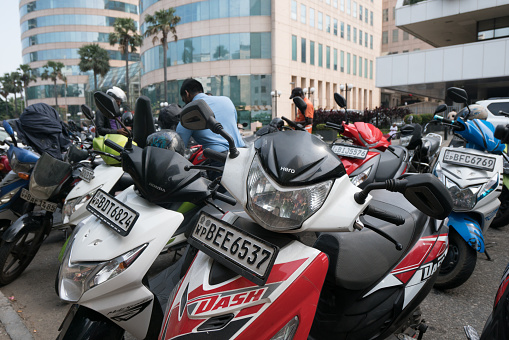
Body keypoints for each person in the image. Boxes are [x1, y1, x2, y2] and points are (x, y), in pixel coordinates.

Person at [176, 78, 245, 152]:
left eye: (184, 100)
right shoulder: (227, 100)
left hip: (219, 158)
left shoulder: (190, 112)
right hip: (243, 154)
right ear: (201, 91)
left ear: (187, 94)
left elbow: (180, 146)